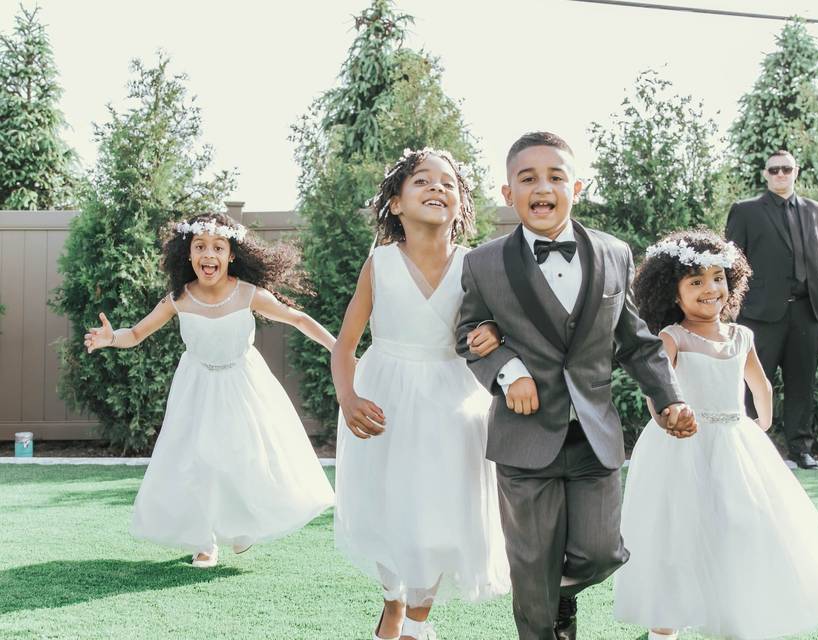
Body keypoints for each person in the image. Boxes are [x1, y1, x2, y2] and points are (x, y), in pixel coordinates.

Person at [456, 131, 696, 640]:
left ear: (577, 187)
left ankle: (556, 595)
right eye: (528, 178)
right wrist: (508, 370)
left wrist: (669, 398)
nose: (542, 188)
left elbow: (635, 342)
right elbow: (467, 335)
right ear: (508, 193)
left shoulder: (614, 253)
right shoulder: (484, 262)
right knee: (532, 568)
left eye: (555, 177)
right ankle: (543, 615)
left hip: (594, 437)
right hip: (523, 440)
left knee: (601, 554)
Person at [614, 229, 818, 640]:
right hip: (682, 447)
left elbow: (760, 384)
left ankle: (735, 612)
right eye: (695, 282)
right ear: (673, 294)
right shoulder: (672, 337)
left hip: (733, 443)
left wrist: (759, 426)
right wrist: (666, 415)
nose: (710, 289)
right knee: (678, 530)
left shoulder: (741, 336)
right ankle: (666, 622)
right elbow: (656, 386)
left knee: (737, 525)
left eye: (718, 278)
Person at [84, 213, 336, 568]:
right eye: (200, 246)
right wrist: (112, 338)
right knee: (199, 461)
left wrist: (339, 349)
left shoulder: (249, 294)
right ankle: (205, 542)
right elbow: (137, 333)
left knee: (246, 455)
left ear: (231, 254)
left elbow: (297, 318)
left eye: (218, 247)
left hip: (243, 383)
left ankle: (244, 525)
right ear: (188, 254)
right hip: (196, 386)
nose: (209, 254)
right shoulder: (179, 298)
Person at [331, 148, 511, 640]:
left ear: (461, 205)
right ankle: (394, 599)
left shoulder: (477, 266)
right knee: (393, 505)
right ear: (395, 204)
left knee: (440, 508)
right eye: (422, 181)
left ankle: (415, 621)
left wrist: (493, 331)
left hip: (454, 399)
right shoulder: (380, 264)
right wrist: (348, 398)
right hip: (386, 396)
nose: (437, 188)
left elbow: (497, 326)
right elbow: (345, 346)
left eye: (447, 183)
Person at [725, 150, 818, 469]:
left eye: (786, 169)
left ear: (796, 172)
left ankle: (800, 448)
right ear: (765, 174)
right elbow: (732, 263)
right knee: (753, 383)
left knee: (803, 382)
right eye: (774, 170)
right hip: (761, 314)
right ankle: (749, 447)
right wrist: (732, 309)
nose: (780, 174)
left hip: (808, 312)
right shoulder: (745, 211)